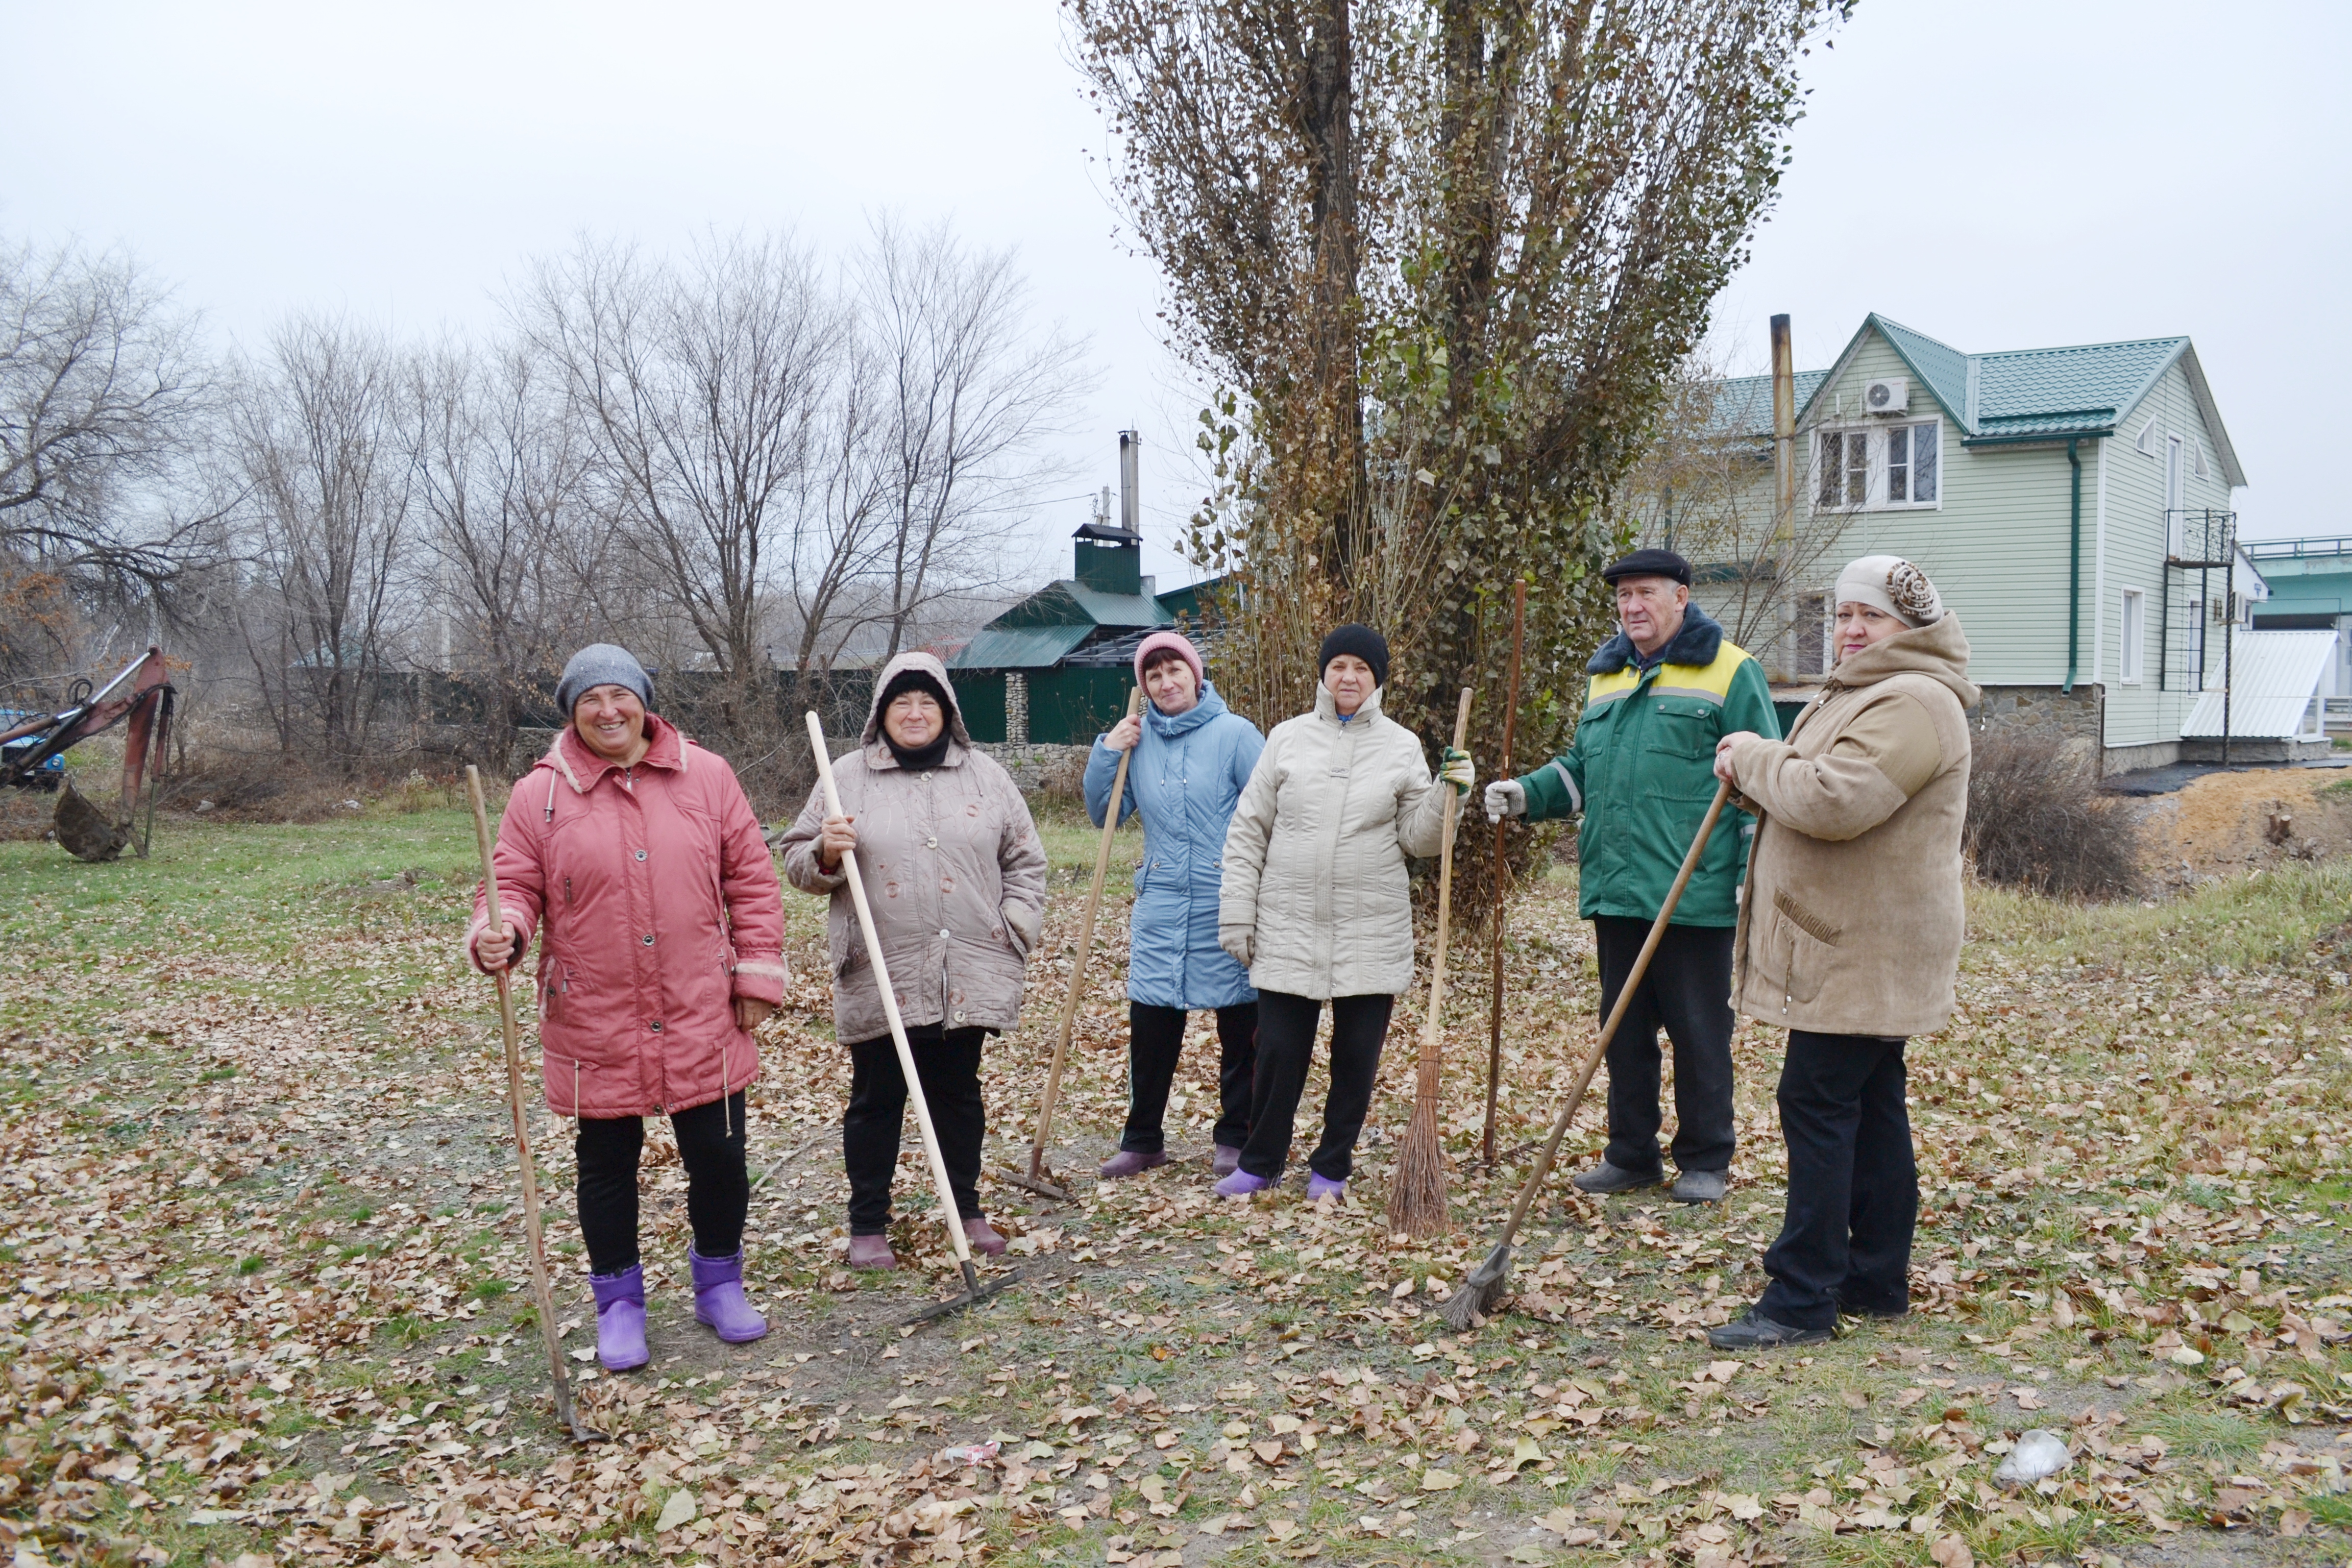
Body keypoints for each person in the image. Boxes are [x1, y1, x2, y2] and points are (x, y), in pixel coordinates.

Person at [468, 644, 787, 1373]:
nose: (608, 712)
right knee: (605, 1165)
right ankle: (619, 1305)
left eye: (620, 697)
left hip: (700, 1003)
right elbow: (510, 883)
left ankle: (720, 1282)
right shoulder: (539, 795)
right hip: (595, 1012)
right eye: (590, 701)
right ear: (572, 713)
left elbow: (751, 880)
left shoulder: (705, 777)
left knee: (720, 1155)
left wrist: (757, 976)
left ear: (644, 701)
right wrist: (503, 930)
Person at [1703, 557, 1976, 1350]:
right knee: (1872, 1108)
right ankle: (1874, 1277)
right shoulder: (1865, 691)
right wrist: (1758, 776)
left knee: (1817, 1104)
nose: (1852, 630)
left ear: (1912, 626)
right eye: (1844, 614)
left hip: (1867, 948)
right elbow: (1814, 783)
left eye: (1873, 617)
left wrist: (1755, 755)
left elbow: (1833, 801)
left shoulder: (1915, 702)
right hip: (1855, 942)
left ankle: (1801, 1298)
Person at [1483, 549, 1778, 1205]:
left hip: (1694, 896)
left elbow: (1765, 781)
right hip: (1617, 890)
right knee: (1622, 1033)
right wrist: (1526, 795)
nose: (1632, 607)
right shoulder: (1606, 677)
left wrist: (1750, 877)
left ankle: (1706, 1159)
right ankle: (1631, 1154)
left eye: (1645, 593)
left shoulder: (1732, 672)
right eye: (1623, 597)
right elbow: (1581, 770)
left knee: (1700, 1034)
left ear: (1682, 596)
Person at [778, 652, 1047, 1271]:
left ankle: (966, 1208)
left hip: (970, 964)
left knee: (957, 1092)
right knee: (877, 1097)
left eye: (927, 701)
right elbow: (794, 859)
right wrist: (823, 851)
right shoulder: (845, 775)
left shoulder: (986, 777)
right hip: (882, 966)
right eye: (902, 702)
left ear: (947, 710)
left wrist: (1014, 927)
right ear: (882, 713)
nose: (915, 712)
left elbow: (1026, 862)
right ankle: (868, 1223)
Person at [1215, 625, 1476, 1201]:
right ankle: (1261, 1162)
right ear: (1324, 674)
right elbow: (1248, 830)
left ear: (1377, 678)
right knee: (1279, 1052)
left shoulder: (1400, 746)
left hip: (1370, 927)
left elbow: (1420, 839)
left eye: (1361, 667)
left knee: (1356, 1059)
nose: (1349, 677)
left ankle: (1332, 1166)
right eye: (1339, 666)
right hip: (1288, 922)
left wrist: (1445, 795)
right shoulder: (1286, 739)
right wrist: (1238, 912)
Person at [1086, 632, 1266, 1181]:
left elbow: (1269, 812)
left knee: (1241, 1025)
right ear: (1144, 687)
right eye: (1154, 675)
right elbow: (1104, 814)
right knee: (1151, 1027)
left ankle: (1236, 1137)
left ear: (1196, 674)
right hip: (1161, 902)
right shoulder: (1135, 740)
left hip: (1227, 900)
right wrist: (1107, 751)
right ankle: (1143, 1140)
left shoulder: (1236, 735)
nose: (1166, 683)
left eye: (1175, 671)